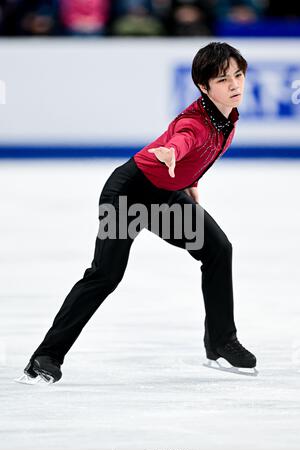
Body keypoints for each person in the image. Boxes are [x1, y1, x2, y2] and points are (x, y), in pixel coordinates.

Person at [20, 42, 257, 384]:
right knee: (106, 274)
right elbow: (183, 141)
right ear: (204, 87)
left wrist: (189, 182)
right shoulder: (196, 122)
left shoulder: (227, 118)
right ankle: (46, 356)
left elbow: (200, 157)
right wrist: (172, 154)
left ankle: (220, 342)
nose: (234, 85)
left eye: (238, 75)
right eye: (223, 79)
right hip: (127, 196)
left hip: (165, 197)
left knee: (219, 251)